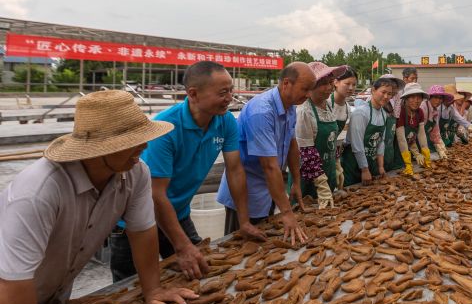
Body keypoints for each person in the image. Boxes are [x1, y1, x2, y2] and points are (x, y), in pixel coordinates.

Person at [0, 91, 196, 304]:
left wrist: (153, 288)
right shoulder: (38, 191)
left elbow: (142, 231)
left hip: (50, 298)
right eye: (133, 141)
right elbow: (11, 279)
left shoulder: (134, 173)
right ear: (98, 150)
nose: (144, 147)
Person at [109, 61, 265, 282]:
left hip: (178, 213)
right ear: (193, 94)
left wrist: (245, 220)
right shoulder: (165, 128)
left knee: (200, 272)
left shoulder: (225, 121)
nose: (230, 97)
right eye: (223, 92)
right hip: (137, 221)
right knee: (132, 289)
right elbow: (156, 194)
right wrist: (182, 246)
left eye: (231, 90)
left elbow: (235, 170)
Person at [216, 62, 316, 245]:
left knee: (263, 244)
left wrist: (296, 182)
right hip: (246, 192)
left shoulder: (290, 105)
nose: (309, 94)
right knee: (239, 247)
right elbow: (269, 166)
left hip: (269, 191)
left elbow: (292, 144)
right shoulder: (261, 111)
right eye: (305, 89)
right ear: (286, 83)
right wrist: (287, 212)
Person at [293, 62, 346, 208]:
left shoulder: (328, 105)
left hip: (327, 171)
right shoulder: (305, 111)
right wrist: (321, 186)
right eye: (323, 84)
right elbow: (306, 153)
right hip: (309, 179)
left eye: (330, 83)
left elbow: (332, 139)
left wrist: (336, 165)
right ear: (311, 87)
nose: (329, 88)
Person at [342, 76, 397, 186]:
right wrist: (364, 170)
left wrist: (380, 167)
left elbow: (381, 142)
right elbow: (357, 145)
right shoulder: (361, 113)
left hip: (370, 162)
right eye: (383, 92)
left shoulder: (383, 114)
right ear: (373, 90)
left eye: (389, 94)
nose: (386, 96)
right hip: (353, 164)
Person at [396, 82, 432, 174]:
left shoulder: (419, 112)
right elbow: (401, 139)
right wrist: (407, 162)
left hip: (409, 146)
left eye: (419, 97)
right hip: (398, 150)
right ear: (406, 99)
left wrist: (425, 152)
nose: (416, 101)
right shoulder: (400, 112)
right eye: (412, 97)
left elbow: (421, 134)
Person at [331, 67, 357, 190]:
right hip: (313, 159)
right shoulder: (325, 103)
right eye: (347, 84)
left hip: (331, 157)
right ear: (336, 82)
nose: (351, 88)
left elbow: (339, 139)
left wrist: (337, 163)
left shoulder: (347, 108)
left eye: (354, 84)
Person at [421, 85, 452, 160]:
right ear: (430, 97)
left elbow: (435, 131)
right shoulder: (423, 107)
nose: (438, 100)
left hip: (425, 139)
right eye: (435, 97)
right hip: (415, 140)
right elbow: (419, 131)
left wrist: (441, 146)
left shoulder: (435, 111)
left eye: (440, 98)